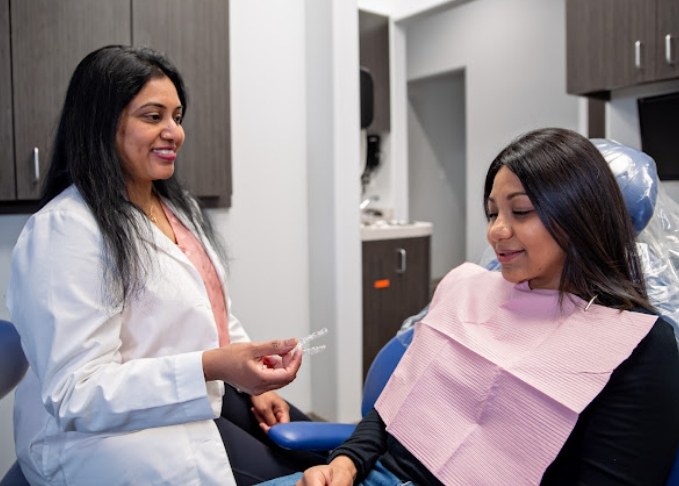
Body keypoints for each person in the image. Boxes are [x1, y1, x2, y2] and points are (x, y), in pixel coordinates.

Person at [263, 128, 679, 486]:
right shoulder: (471, 292)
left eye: (520, 211)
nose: (497, 231)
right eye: (493, 212)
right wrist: (346, 461)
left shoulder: (635, 345)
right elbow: (394, 406)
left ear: (580, 213)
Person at [6, 45, 324, 486]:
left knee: (330, 455)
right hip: (101, 438)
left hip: (184, 391)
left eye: (177, 116)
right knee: (307, 476)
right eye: (153, 116)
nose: (174, 131)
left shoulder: (177, 207)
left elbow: (211, 308)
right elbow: (77, 393)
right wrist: (217, 366)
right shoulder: (65, 231)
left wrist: (252, 379)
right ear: (102, 124)